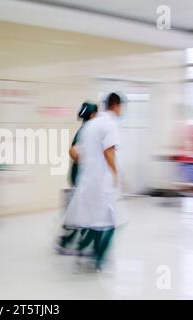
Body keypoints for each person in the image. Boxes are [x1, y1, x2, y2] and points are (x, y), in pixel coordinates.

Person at [63, 92, 124, 271]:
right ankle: (97, 258)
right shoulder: (108, 125)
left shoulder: (87, 127)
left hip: (84, 179)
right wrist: (117, 175)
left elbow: (74, 151)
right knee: (107, 222)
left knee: (90, 219)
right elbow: (109, 152)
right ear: (116, 106)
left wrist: (85, 164)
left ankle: (83, 250)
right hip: (99, 183)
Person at [57, 102, 98, 255]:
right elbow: (73, 151)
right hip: (81, 178)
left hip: (81, 177)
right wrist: (85, 162)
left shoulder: (86, 129)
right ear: (93, 115)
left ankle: (73, 242)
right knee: (80, 213)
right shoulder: (86, 130)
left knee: (81, 212)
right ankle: (67, 242)